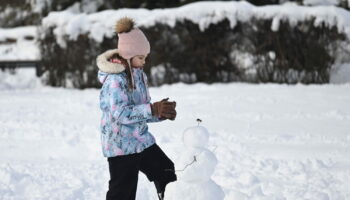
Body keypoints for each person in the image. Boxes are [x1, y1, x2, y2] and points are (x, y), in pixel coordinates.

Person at [96, 17, 177, 200]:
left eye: (145, 57)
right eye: (141, 57)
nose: (144, 61)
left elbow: (141, 110)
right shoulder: (115, 81)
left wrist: (160, 112)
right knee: (122, 192)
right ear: (127, 56)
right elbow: (121, 113)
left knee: (166, 172)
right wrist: (152, 109)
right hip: (121, 146)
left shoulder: (139, 75)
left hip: (140, 140)